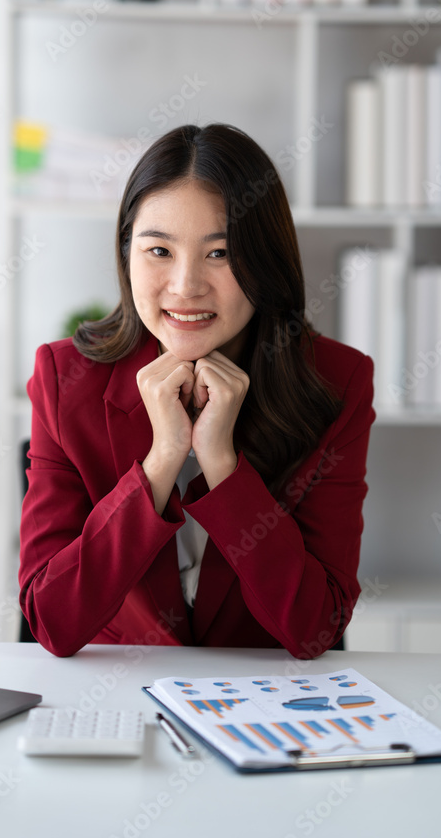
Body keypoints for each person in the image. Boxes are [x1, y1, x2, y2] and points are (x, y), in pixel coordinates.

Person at [19, 123, 375, 659]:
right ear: (126, 255)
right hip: (120, 697)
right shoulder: (65, 380)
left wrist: (223, 466)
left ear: (266, 261)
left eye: (220, 253)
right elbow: (52, 620)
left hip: (264, 707)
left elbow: (316, 629)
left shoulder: (336, 382)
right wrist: (161, 462)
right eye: (159, 250)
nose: (186, 285)